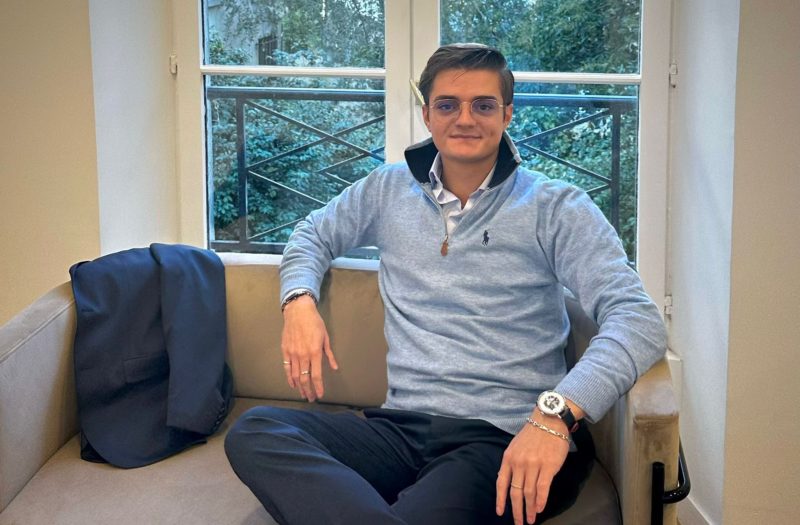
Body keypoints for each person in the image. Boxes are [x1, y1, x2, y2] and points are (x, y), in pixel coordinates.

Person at [225, 43, 666, 525]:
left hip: (503, 439)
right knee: (257, 431)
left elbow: (638, 320)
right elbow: (311, 234)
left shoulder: (556, 207)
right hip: (400, 431)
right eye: (448, 105)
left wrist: (554, 416)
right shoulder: (386, 188)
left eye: (484, 105)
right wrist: (298, 302)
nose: (465, 119)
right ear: (427, 116)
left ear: (508, 114)